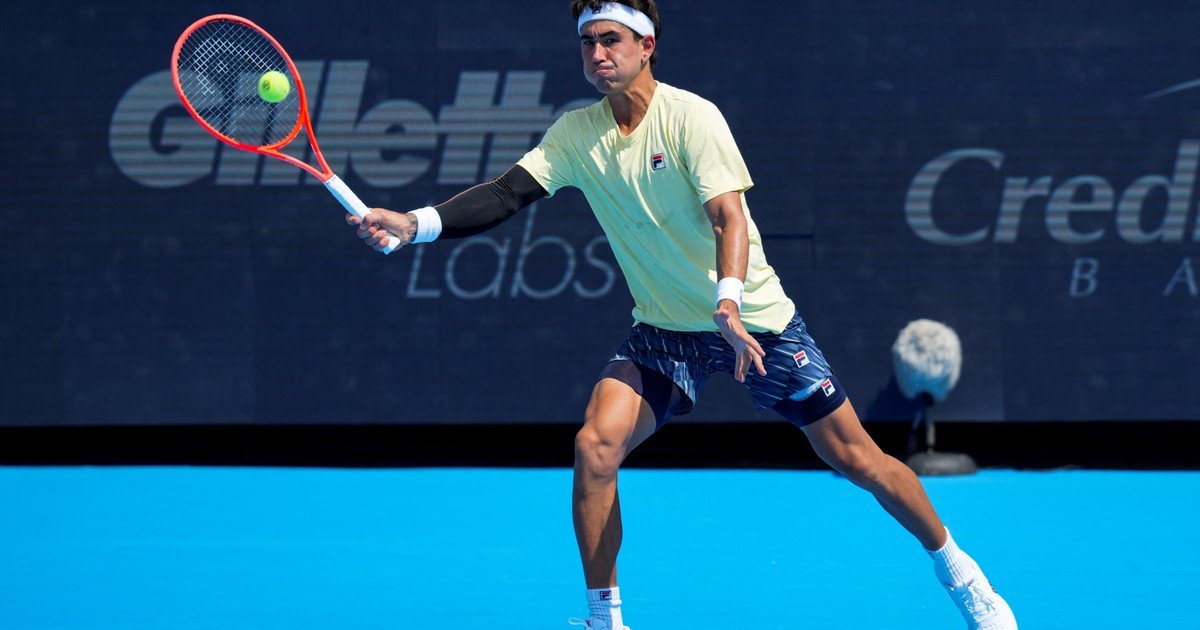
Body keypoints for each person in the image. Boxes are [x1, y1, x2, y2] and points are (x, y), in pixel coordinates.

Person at [349, 1, 1018, 628]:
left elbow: (728, 216)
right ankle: (604, 618)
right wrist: (413, 223)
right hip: (664, 333)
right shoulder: (576, 134)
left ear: (647, 45)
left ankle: (962, 576)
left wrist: (728, 301)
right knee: (595, 446)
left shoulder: (693, 118)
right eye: (587, 42)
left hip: (753, 323)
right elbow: (505, 194)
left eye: (611, 39)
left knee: (858, 459)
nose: (597, 53)